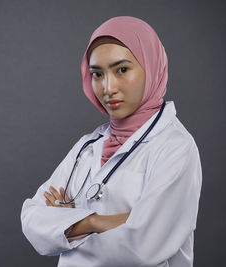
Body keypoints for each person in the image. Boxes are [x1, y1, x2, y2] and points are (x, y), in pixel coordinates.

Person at [20, 16, 202, 267]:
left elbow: (139, 248)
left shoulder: (175, 148)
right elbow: (31, 218)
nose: (107, 87)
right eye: (97, 74)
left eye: (122, 70)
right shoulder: (87, 146)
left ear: (151, 67)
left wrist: (67, 226)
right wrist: (96, 221)